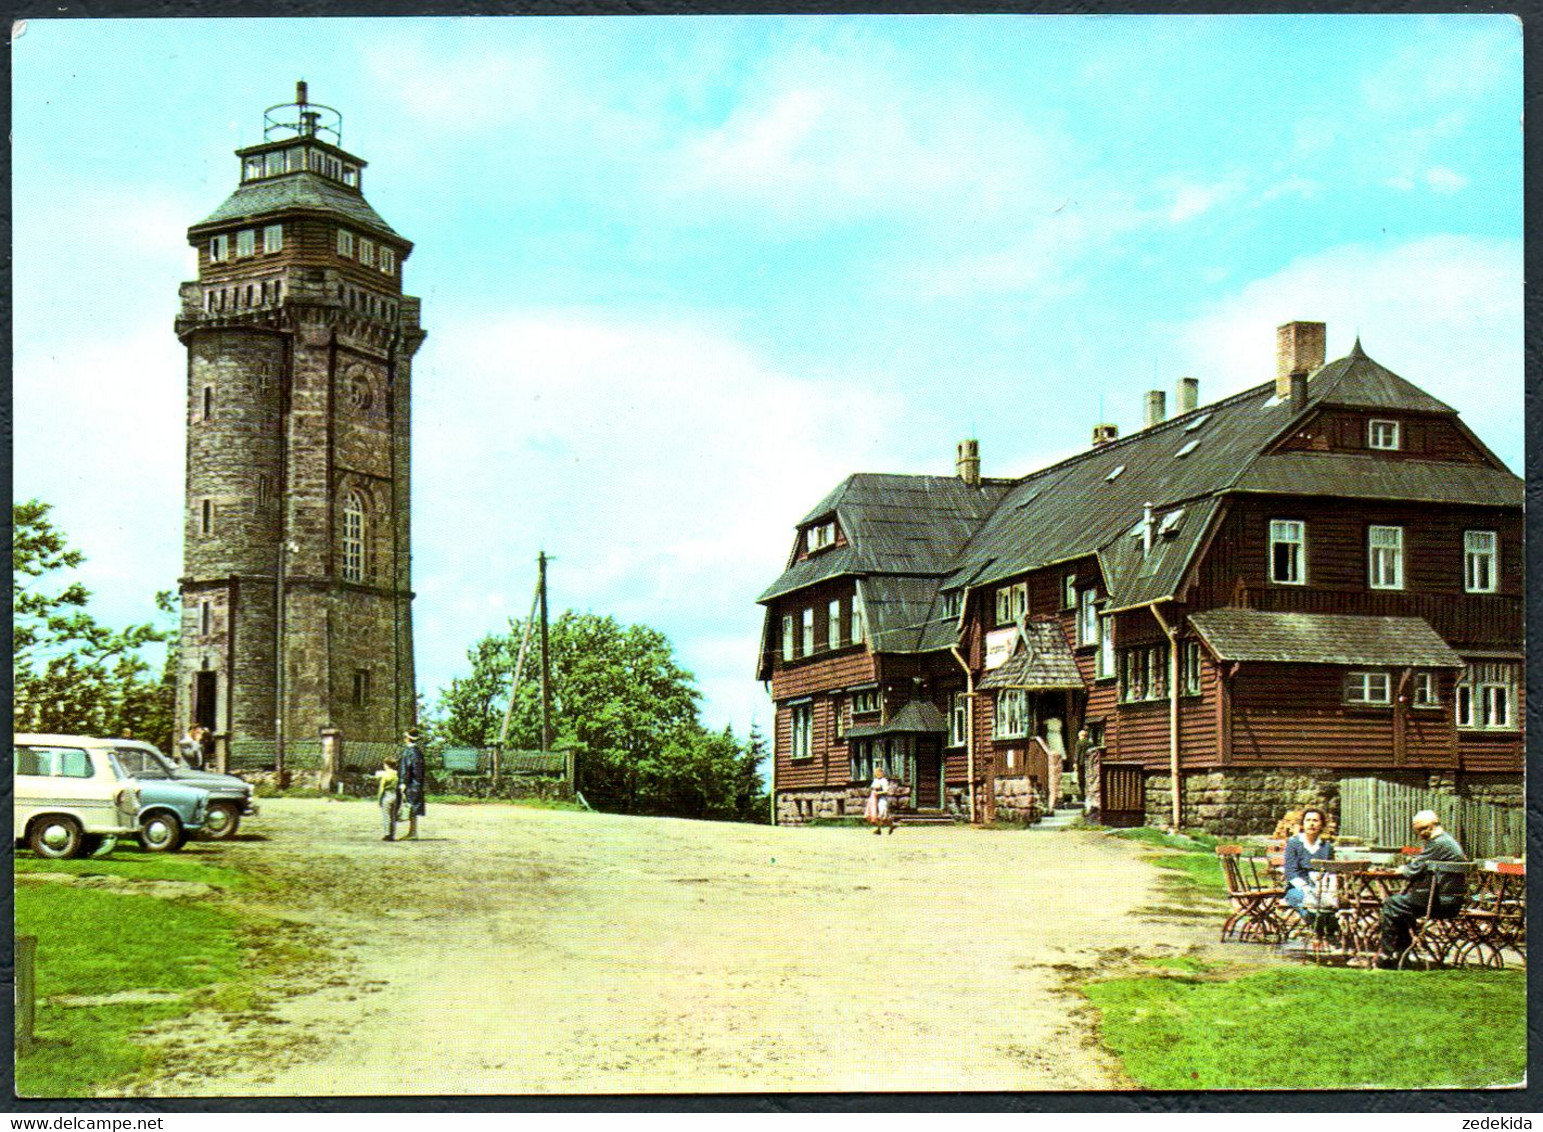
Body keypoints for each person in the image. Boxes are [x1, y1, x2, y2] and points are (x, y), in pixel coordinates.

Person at [1377, 810, 1467, 969]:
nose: (1419, 834)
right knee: (1401, 906)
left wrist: (1402, 869)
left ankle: (1388, 955)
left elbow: (1413, 870)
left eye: (1420, 830)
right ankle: (1400, 956)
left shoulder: (1438, 844)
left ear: (1431, 827)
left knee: (1392, 904)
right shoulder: (1447, 841)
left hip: (1440, 903)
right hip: (1452, 900)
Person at [1282, 807, 1336, 941]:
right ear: (1303, 824)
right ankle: (1319, 934)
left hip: (1320, 887)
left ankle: (1328, 935)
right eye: (1308, 820)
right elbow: (1290, 871)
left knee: (1332, 907)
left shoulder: (1327, 847)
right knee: (1308, 908)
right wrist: (1306, 888)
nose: (1311, 824)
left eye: (1315, 820)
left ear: (1322, 824)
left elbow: (1330, 870)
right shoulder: (1294, 843)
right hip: (1298, 888)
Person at [398, 729, 427, 841]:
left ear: (407, 738)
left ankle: (413, 832)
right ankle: (412, 831)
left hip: (411, 784)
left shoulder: (410, 752)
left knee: (410, 807)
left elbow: (407, 768)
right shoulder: (418, 752)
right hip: (417, 783)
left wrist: (403, 782)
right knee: (412, 807)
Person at [374, 756, 400, 842]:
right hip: (395, 795)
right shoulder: (397, 774)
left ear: (386, 765)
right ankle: (392, 834)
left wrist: (379, 800)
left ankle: (387, 834)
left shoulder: (385, 775)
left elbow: (381, 789)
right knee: (393, 816)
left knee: (386, 815)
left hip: (387, 795)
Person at [864, 764, 892, 835]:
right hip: (874, 800)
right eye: (877, 773)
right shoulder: (875, 780)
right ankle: (879, 829)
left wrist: (878, 793)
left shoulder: (884, 780)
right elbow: (872, 788)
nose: (878, 774)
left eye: (880, 772)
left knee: (882, 815)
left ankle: (891, 826)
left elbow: (886, 791)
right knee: (876, 814)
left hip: (882, 799)